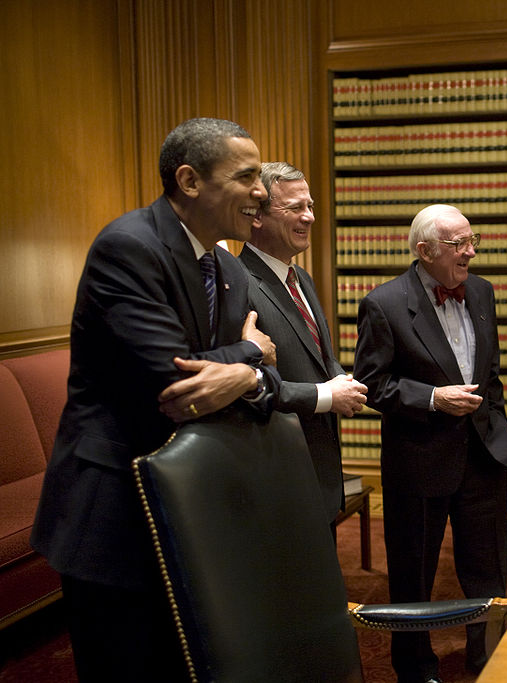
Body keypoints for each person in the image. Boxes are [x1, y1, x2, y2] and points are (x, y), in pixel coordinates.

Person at [31, 117, 280, 682]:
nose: (262, 191)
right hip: (116, 510)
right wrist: (250, 353)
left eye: (261, 176)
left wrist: (246, 374)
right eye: (247, 175)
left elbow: (263, 392)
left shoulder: (230, 270)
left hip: (198, 513)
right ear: (190, 181)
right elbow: (173, 386)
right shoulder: (128, 246)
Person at [353, 204, 507, 683]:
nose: (469, 252)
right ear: (424, 251)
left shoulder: (482, 291)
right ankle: (416, 668)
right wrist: (431, 398)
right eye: (457, 244)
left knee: (488, 572)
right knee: (413, 576)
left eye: (472, 240)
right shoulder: (383, 303)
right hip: (419, 462)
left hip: (483, 455)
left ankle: (490, 659)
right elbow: (372, 384)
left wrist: (497, 423)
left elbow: (491, 374)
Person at [240, 162, 367, 524]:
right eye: (295, 207)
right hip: (277, 471)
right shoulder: (238, 282)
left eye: (310, 206)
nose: (309, 217)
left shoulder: (301, 277)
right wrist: (327, 396)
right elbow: (249, 385)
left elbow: (318, 355)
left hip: (318, 465)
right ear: (258, 216)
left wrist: (342, 380)